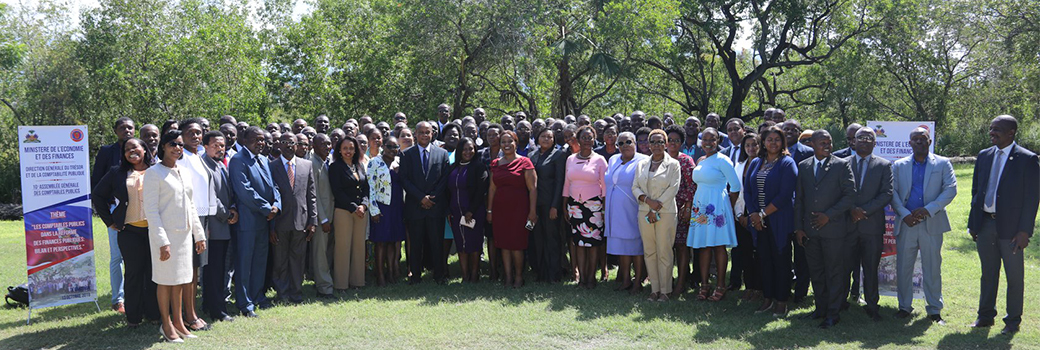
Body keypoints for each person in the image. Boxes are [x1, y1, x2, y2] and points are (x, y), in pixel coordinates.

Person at [968, 115, 1039, 334]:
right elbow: (976, 191)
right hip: (986, 225)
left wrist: (1025, 231)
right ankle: (985, 316)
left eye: (996, 129)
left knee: (1014, 277)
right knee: (988, 273)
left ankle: (1012, 322)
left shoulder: (1027, 159)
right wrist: (974, 223)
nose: (991, 133)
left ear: (1011, 133)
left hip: (1012, 230)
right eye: (990, 129)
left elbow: (1032, 199)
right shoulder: (984, 155)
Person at [144, 130, 207, 342]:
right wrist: (162, 241)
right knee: (165, 281)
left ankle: (179, 322)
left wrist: (199, 235)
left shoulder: (184, 171)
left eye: (180, 145)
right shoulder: (153, 173)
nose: (177, 148)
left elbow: (191, 205)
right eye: (173, 144)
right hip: (165, 237)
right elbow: (151, 211)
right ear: (163, 146)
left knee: (180, 280)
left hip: (184, 237)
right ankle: (166, 323)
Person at [890, 127, 956, 325]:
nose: (919, 142)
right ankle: (904, 307)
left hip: (931, 222)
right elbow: (891, 193)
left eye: (923, 138)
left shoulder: (943, 163)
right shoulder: (899, 165)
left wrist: (929, 209)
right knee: (903, 267)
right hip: (907, 223)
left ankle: (934, 310)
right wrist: (904, 214)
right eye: (915, 139)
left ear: (930, 141)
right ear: (909, 143)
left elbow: (951, 189)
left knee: (932, 267)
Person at [794, 130, 857, 329]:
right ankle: (820, 309)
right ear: (812, 144)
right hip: (810, 231)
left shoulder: (841, 164)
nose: (827, 145)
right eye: (822, 142)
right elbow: (800, 200)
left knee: (834, 272)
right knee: (817, 272)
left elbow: (850, 196)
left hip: (834, 230)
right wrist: (798, 228)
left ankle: (833, 313)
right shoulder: (803, 166)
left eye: (829, 142)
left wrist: (828, 215)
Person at [92, 138, 158, 328]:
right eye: (127, 149)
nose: (131, 151)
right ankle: (133, 317)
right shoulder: (117, 172)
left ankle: (153, 314)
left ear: (144, 149)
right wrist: (110, 221)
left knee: (153, 274)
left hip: (155, 232)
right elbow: (98, 194)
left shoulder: (157, 170)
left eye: (135, 147)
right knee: (134, 274)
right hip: (130, 232)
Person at [229, 126, 281, 317]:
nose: (260, 143)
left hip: (264, 221)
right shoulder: (237, 160)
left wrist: (277, 204)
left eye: (262, 140)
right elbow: (245, 191)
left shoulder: (264, 160)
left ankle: (258, 295)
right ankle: (244, 303)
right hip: (247, 222)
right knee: (244, 263)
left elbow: (273, 185)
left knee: (260, 261)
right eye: (256, 139)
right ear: (244, 140)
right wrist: (268, 209)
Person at [744, 126, 797, 317]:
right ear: (763, 143)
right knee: (763, 260)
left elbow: (785, 195)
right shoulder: (757, 162)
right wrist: (754, 215)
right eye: (769, 139)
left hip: (779, 220)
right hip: (758, 221)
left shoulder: (787, 163)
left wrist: (762, 214)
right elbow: (748, 191)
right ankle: (767, 299)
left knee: (781, 261)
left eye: (777, 139)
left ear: (782, 142)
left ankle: (781, 301)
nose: (773, 143)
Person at [842, 127, 892, 322]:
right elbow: (839, 191)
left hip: (871, 226)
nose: (864, 141)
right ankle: (840, 302)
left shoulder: (884, 165)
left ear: (875, 143)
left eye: (868, 138)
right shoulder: (842, 163)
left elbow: (886, 193)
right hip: (847, 225)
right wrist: (852, 209)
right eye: (860, 138)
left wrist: (863, 211)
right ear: (853, 142)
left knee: (871, 268)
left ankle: (872, 306)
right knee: (844, 267)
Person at [687, 128, 742, 302]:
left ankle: (720, 285)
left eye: (712, 139)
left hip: (717, 206)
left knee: (718, 246)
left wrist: (726, 206)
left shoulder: (723, 160)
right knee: (703, 245)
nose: (708, 143)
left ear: (718, 141)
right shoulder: (701, 160)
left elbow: (735, 187)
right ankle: (704, 284)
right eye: (705, 139)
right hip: (701, 206)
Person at [93, 116, 135, 314]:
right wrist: (109, 211)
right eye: (122, 128)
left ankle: (136, 296)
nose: (127, 131)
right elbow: (97, 182)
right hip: (114, 210)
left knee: (136, 256)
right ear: (115, 131)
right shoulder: (106, 152)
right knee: (117, 256)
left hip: (138, 211)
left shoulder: (139, 150)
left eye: (130, 128)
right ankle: (118, 299)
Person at [399, 122, 451, 284]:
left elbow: (444, 179)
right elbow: (404, 179)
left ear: (432, 134)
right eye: (421, 132)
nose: (424, 135)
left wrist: (432, 198)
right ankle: (415, 276)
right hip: (415, 206)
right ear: (415, 134)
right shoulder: (407, 154)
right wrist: (421, 197)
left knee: (436, 243)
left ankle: (439, 275)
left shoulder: (442, 154)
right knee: (415, 243)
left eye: (427, 132)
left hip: (435, 206)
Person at [269, 132, 317, 302]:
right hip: (280, 222)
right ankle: (282, 294)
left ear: (297, 145)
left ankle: (296, 293)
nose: (288, 145)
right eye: (284, 142)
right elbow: (270, 197)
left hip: (301, 222)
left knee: (298, 261)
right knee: (280, 261)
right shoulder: (271, 166)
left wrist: (313, 221)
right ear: (279, 145)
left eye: (292, 142)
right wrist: (271, 227)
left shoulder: (307, 165)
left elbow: (311, 195)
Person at [633, 130, 681, 302]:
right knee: (649, 251)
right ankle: (654, 289)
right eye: (653, 142)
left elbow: (673, 189)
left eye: (661, 142)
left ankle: (665, 291)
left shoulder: (674, 164)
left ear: (666, 144)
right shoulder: (642, 164)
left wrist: (655, 208)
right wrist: (647, 201)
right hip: (644, 211)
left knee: (664, 251)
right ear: (648, 144)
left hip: (665, 212)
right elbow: (635, 187)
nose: (657, 145)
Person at [487, 130, 537, 288]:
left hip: (519, 210)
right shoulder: (495, 163)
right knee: (503, 244)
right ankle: (508, 277)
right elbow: (492, 189)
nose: (506, 145)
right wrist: (489, 210)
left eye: (510, 141)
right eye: (503, 142)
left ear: (516, 143)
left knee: (517, 244)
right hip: (500, 209)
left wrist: (532, 211)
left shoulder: (525, 162)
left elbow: (533, 189)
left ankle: (519, 277)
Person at [174, 118, 211, 332]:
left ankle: (192, 312)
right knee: (188, 270)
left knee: (195, 269)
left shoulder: (198, 156)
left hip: (202, 218)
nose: (196, 136)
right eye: (191, 132)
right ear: (182, 135)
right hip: (187, 219)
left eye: (199, 132)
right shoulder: (182, 158)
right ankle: (187, 316)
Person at [199, 131, 237, 322]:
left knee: (217, 269)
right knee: (214, 270)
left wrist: (232, 208)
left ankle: (210, 305)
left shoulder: (220, 165)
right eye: (215, 145)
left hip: (222, 226)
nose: (220, 148)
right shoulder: (204, 165)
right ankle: (217, 311)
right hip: (213, 227)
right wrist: (228, 214)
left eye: (222, 146)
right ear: (205, 146)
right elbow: (211, 198)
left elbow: (227, 193)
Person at [563, 126, 608, 289]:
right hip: (575, 205)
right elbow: (567, 184)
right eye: (584, 137)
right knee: (579, 243)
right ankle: (582, 278)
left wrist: (603, 208)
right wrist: (564, 205)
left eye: (590, 137)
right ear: (578, 139)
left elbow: (605, 186)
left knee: (593, 243)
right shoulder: (571, 159)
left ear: (594, 139)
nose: (587, 141)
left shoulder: (600, 160)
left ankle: (591, 278)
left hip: (594, 205)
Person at [330, 136, 370, 289]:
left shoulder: (359, 165)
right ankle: (341, 285)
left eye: (351, 148)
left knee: (359, 247)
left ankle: (358, 282)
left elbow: (366, 188)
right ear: (339, 150)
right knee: (343, 247)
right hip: (344, 211)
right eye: (345, 148)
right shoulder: (335, 167)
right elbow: (337, 191)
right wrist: (354, 207)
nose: (348, 151)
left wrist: (364, 205)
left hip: (361, 211)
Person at [446, 138, 488, 283]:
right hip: (456, 212)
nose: (468, 152)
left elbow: (481, 191)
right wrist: (448, 211)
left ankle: (475, 275)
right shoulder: (453, 167)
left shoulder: (479, 167)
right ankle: (465, 276)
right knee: (460, 244)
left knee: (474, 243)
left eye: (471, 149)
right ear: (459, 151)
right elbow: (447, 191)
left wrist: (471, 210)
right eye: (464, 149)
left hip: (474, 212)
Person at [368, 136, 407, 286]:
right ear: (383, 146)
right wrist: (374, 209)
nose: (393, 150)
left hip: (397, 207)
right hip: (381, 206)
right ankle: (380, 275)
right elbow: (370, 187)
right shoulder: (374, 162)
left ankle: (391, 273)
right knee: (380, 242)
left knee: (393, 241)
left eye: (396, 147)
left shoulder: (399, 163)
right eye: (390, 147)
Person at [782, 118, 814, 302]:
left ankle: (801, 292)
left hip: (802, 210)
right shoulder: (774, 152)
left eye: (793, 129)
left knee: (802, 254)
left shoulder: (808, 152)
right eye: (786, 129)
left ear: (799, 133)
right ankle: (784, 288)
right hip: (782, 210)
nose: (789, 132)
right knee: (783, 252)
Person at [530, 128, 567, 283]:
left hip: (550, 204)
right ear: (538, 138)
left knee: (552, 239)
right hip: (535, 204)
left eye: (549, 137)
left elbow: (560, 182)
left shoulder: (558, 155)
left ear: (554, 140)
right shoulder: (532, 155)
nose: (546, 139)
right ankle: (540, 272)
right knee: (537, 239)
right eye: (543, 136)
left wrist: (555, 206)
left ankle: (554, 274)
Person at [664, 125, 696, 297]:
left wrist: (688, 207)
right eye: (670, 140)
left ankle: (682, 282)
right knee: (667, 246)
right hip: (663, 209)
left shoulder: (686, 161)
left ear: (682, 143)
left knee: (682, 247)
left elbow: (692, 186)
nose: (673, 143)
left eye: (677, 140)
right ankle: (667, 280)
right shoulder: (659, 159)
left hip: (682, 209)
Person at [731, 133, 761, 300]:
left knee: (760, 254)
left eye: (754, 145)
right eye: (747, 145)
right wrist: (739, 215)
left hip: (759, 216)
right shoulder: (739, 166)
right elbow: (735, 192)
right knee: (745, 253)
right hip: (741, 215)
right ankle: (749, 287)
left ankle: (759, 287)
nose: (751, 148)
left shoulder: (764, 165)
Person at [309, 133, 336, 297]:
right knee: (320, 254)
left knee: (328, 252)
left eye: (328, 144)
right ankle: (324, 288)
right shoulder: (312, 163)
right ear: (314, 146)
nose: (327, 147)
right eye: (322, 144)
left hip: (332, 214)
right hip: (322, 217)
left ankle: (327, 281)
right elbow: (315, 195)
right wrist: (323, 218)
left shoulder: (328, 161)